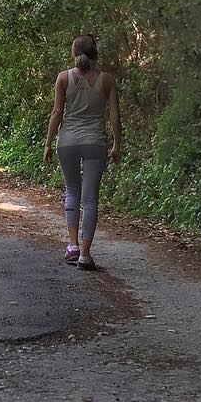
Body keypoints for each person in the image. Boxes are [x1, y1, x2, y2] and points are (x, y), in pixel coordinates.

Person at [42, 34, 122, 270]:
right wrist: (117, 144)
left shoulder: (63, 78)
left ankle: (73, 246)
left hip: (66, 142)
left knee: (72, 192)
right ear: (95, 53)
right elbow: (115, 116)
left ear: (74, 53)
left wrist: (48, 143)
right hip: (94, 142)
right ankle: (85, 256)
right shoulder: (107, 80)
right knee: (90, 199)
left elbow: (56, 113)